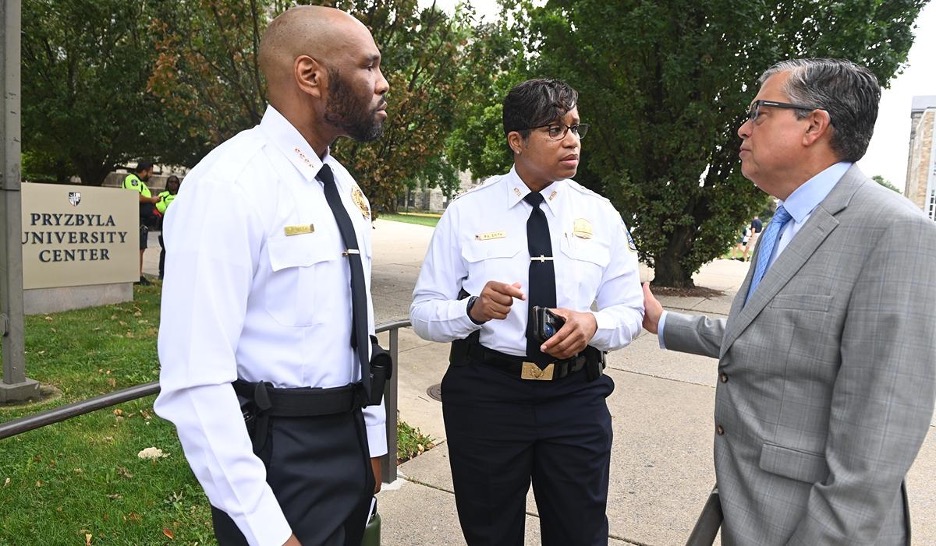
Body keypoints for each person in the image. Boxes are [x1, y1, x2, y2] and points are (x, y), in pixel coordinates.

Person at [643, 58, 936, 544]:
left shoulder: (896, 232)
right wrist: (663, 322)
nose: (742, 127)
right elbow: (771, 333)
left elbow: (878, 439)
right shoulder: (785, 225)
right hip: (754, 509)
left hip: (816, 527)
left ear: (814, 125)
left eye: (759, 112)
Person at [154, 6, 390, 546]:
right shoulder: (229, 186)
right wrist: (263, 527)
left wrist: (373, 449)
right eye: (369, 67)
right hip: (278, 456)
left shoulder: (344, 187)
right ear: (311, 75)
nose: (383, 84)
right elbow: (195, 381)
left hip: (349, 443)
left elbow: (360, 328)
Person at [410, 78, 644, 545]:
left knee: (580, 534)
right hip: (487, 399)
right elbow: (423, 312)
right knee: (491, 533)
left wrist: (594, 323)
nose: (572, 139)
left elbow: (630, 310)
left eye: (575, 127)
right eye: (554, 129)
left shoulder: (601, 215)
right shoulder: (467, 213)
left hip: (574, 398)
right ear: (516, 141)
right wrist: (473, 311)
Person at [123, 160, 160, 285]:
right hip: (134, 218)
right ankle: (136, 276)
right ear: (144, 171)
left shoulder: (140, 183)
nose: (151, 175)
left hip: (142, 219)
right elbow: (136, 197)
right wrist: (151, 199)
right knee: (138, 248)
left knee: (141, 248)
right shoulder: (131, 179)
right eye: (150, 172)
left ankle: (139, 274)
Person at [155, 175, 182, 280]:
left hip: (179, 224)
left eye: (175, 182)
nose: (173, 184)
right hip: (166, 224)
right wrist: (172, 213)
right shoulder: (163, 195)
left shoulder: (182, 195)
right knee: (165, 249)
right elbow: (161, 207)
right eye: (170, 182)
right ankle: (162, 273)